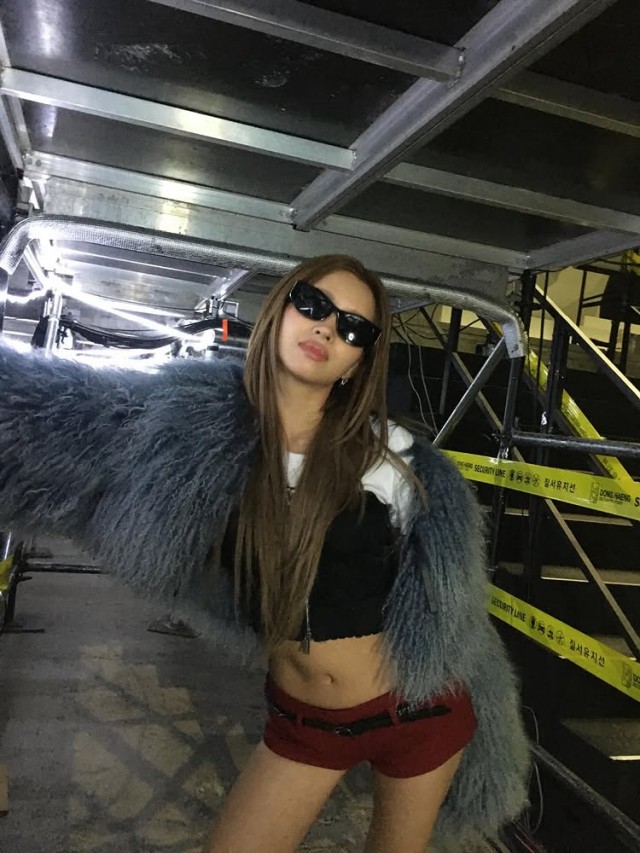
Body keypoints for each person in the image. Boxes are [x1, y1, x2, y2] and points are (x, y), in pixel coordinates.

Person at [0, 254, 529, 852]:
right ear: (280, 308)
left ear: (360, 360)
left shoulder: (391, 457)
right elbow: (41, 421)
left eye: (354, 328)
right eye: (314, 304)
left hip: (419, 711)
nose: (327, 327)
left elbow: (449, 604)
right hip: (306, 727)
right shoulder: (189, 434)